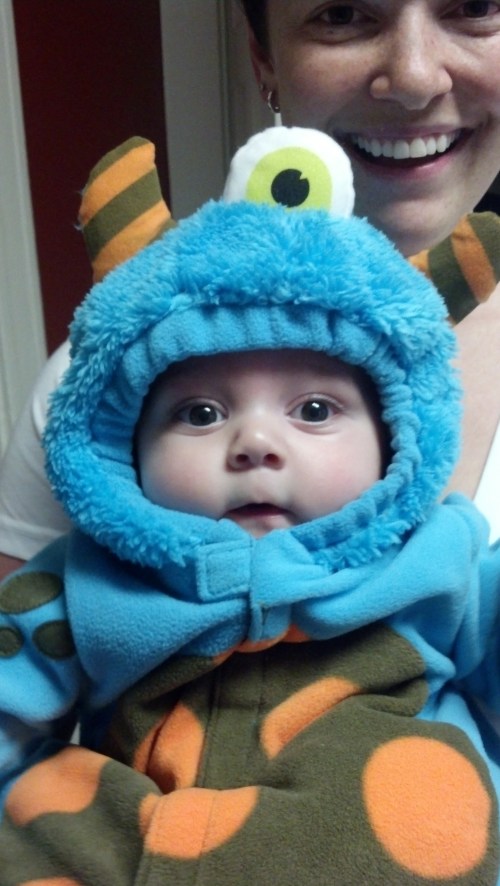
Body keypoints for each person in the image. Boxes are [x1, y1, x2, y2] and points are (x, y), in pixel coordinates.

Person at [1, 128, 500, 884]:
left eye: (314, 410)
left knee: (430, 793)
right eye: (200, 414)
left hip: (381, 834)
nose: (256, 443)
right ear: (124, 449)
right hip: (136, 845)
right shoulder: (85, 581)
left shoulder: (442, 556)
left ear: (395, 438)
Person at [1, 0, 500, 579]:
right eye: (341, 15)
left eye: (476, 7)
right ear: (263, 56)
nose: (415, 79)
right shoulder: (94, 383)